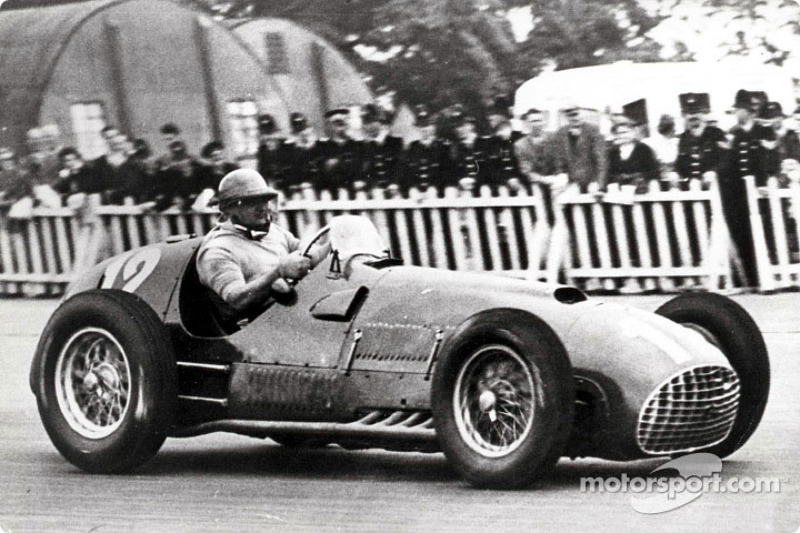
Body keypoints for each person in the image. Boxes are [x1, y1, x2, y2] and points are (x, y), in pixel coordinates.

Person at [196, 169, 329, 324]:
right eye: (251, 202)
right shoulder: (217, 250)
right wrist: (278, 272)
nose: (262, 208)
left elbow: (307, 251)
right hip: (255, 330)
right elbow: (236, 300)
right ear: (229, 208)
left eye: (264, 200)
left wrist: (334, 245)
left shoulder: (272, 231)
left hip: (292, 313)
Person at [721, 89, 778, 287]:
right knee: (743, 232)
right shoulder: (734, 133)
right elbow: (729, 164)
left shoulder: (764, 131)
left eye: (739, 109)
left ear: (747, 110)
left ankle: (770, 273)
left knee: (767, 230)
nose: (737, 113)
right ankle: (752, 278)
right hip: (739, 192)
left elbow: (770, 158)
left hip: (760, 189)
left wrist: (764, 182)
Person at [548, 103, 609, 196]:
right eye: (569, 116)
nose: (574, 118)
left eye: (576, 114)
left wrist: (599, 184)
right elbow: (559, 159)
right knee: (561, 198)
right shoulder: (561, 133)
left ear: (581, 114)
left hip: (592, 179)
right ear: (565, 117)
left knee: (595, 203)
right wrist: (561, 176)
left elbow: (601, 159)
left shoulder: (593, 130)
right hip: (572, 181)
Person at [674, 93, 727, 188]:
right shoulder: (683, 138)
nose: (692, 117)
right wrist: (675, 173)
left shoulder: (716, 133)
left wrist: (714, 171)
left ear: (703, 114)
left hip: (716, 186)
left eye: (696, 113)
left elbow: (726, 159)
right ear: (685, 116)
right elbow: (680, 163)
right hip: (692, 188)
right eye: (689, 114)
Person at [402, 106, 453, 194]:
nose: (424, 129)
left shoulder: (442, 148)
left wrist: (433, 189)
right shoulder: (412, 148)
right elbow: (407, 174)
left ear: (433, 127)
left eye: (428, 125)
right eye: (421, 126)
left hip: (437, 195)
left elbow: (447, 175)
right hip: (416, 195)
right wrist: (413, 189)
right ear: (417, 128)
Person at [607, 117, 659, 194]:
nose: (622, 136)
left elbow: (653, 171)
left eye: (625, 132)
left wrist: (639, 178)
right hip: (620, 190)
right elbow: (610, 173)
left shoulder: (643, 149)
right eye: (618, 133)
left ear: (633, 132)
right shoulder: (613, 152)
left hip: (641, 189)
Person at [359, 103, 403, 191]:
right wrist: (372, 186)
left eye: (372, 121)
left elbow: (400, 167)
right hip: (375, 194)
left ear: (380, 121)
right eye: (366, 123)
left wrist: (394, 183)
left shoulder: (396, 143)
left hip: (396, 191)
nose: (369, 127)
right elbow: (365, 172)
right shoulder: (365, 146)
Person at [318, 108, 360, 195]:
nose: (340, 128)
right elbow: (321, 172)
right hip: (330, 190)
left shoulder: (356, 145)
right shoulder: (323, 147)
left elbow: (358, 169)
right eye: (336, 124)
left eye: (343, 124)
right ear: (330, 126)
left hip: (352, 189)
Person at [255, 114, 290, 192]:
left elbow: (291, 162)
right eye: (265, 130)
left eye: (269, 129)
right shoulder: (262, 149)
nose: (268, 134)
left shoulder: (285, 145)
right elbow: (262, 168)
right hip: (271, 180)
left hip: (286, 178)